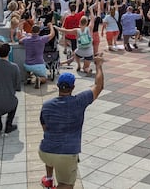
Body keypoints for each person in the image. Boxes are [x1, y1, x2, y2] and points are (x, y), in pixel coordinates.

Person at [39, 56, 104, 189]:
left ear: (58, 86)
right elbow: (99, 86)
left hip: (45, 152)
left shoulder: (46, 105)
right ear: (73, 87)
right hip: (67, 154)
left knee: (52, 149)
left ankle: (49, 178)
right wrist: (98, 65)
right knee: (66, 184)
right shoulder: (79, 101)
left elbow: (45, 127)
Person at [20, 22, 56, 88]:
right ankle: (40, 79)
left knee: (30, 69)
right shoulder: (42, 39)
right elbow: (52, 34)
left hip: (27, 64)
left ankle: (28, 76)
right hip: (38, 64)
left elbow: (20, 41)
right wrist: (51, 25)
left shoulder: (26, 40)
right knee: (45, 78)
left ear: (31, 31)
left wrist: (27, 36)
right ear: (39, 31)